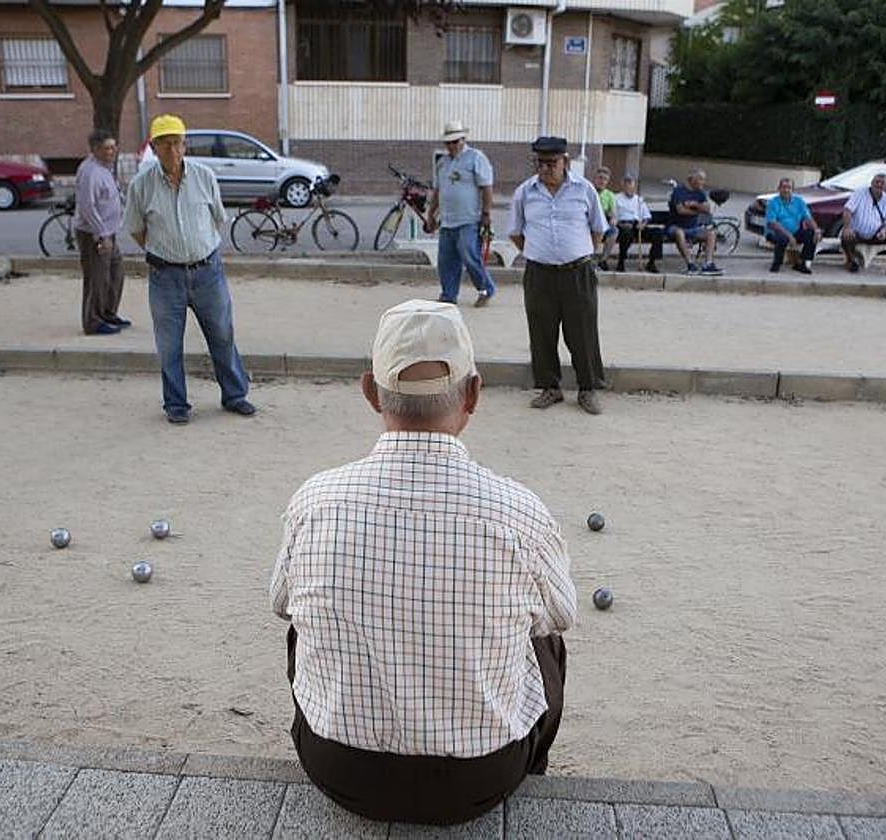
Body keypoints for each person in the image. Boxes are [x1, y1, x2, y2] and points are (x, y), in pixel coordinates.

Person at [271, 299, 575, 826]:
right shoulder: (518, 510)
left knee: (303, 620)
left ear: (370, 392)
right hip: (482, 778)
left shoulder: (315, 500)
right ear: (474, 393)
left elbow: (279, 603)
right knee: (544, 639)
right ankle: (533, 768)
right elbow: (561, 614)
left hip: (338, 769)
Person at [122, 114, 256, 424]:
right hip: (165, 277)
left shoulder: (204, 176)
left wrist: (197, 249)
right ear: (153, 148)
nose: (171, 150)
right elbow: (136, 228)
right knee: (169, 343)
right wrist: (165, 253)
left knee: (222, 334)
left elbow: (216, 218)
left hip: (208, 271)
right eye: (164, 144)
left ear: (185, 145)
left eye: (176, 143)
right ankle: (176, 404)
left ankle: (235, 395)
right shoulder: (141, 185)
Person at [509, 136, 608, 415]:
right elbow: (516, 233)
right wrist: (540, 251)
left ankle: (587, 389)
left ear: (566, 161)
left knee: (583, 332)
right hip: (539, 273)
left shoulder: (585, 189)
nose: (545, 169)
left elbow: (598, 229)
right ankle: (550, 387)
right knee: (541, 330)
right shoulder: (525, 193)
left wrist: (581, 252)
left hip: (577, 272)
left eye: (551, 163)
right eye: (540, 163)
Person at [424, 121, 498, 307]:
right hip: (447, 220)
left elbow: (486, 187)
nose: (452, 146)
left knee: (470, 256)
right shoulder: (442, 163)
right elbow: (438, 191)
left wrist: (486, 212)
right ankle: (448, 294)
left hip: (469, 219)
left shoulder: (476, 158)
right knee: (446, 260)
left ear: (463, 140)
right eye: (448, 142)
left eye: (455, 141)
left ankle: (485, 289)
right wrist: (431, 214)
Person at [74, 129, 129, 335]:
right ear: (95, 149)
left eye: (114, 146)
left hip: (109, 232)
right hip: (94, 234)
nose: (112, 151)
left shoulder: (104, 167)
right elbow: (88, 207)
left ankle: (107, 312)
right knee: (97, 277)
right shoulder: (90, 172)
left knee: (115, 273)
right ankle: (93, 321)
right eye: (107, 148)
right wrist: (102, 235)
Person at [840, 173, 886, 276]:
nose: (878, 185)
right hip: (857, 232)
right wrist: (847, 227)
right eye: (876, 182)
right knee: (846, 235)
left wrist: (883, 231)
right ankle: (851, 261)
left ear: (885, 186)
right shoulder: (859, 194)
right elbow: (847, 210)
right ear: (872, 183)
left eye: (882, 183)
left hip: (876, 234)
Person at [665, 170, 722, 275]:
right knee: (679, 233)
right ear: (692, 179)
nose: (703, 182)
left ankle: (708, 264)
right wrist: (698, 211)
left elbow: (707, 208)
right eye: (701, 179)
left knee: (711, 233)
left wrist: (694, 204)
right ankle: (690, 265)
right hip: (675, 226)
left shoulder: (700, 192)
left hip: (693, 228)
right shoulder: (679, 191)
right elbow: (681, 210)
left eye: (704, 179)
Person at [764, 177, 818, 275]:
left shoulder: (799, 201)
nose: (786, 190)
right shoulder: (773, 202)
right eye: (784, 187)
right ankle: (777, 263)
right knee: (783, 238)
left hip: (794, 232)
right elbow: (772, 223)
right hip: (776, 232)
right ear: (779, 188)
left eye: (789, 187)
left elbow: (808, 218)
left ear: (792, 190)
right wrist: (789, 235)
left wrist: (816, 230)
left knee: (811, 234)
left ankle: (802, 263)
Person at [613, 174, 663, 273]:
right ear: (622, 185)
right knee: (626, 233)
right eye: (627, 183)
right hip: (623, 225)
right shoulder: (616, 198)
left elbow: (647, 217)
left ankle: (651, 262)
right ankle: (621, 261)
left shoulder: (639, 200)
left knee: (658, 233)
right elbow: (614, 217)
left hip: (638, 226)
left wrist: (643, 224)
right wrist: (620, 224)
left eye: (631, 184)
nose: (629, 187)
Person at [590, 166, 619, 270]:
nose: (602, 181)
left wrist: (613, 219)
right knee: (599, 227)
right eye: (600, 178)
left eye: (605, 179)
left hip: (603, 223)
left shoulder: (609, 195)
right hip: (588, 223)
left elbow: (613, 213)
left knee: (614, 230)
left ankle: (603, 260)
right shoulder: (590, 191)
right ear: (595, 179)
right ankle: (589, 258)